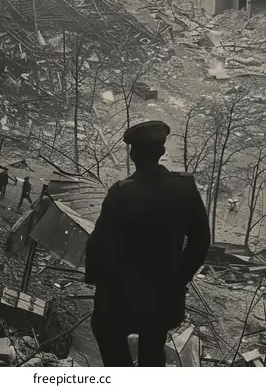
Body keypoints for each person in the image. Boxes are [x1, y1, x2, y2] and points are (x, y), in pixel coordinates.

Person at [85, 120, 211, 367]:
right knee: (152, 351)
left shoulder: (121, 193)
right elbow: (201, 241)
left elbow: (101, 245)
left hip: (121, 297)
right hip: (163, 297)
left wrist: (100, 281)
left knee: (108, 336)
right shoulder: (185, 188)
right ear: (162, 152)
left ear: (133, 154)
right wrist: (178, 278)